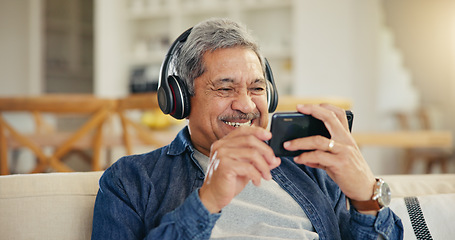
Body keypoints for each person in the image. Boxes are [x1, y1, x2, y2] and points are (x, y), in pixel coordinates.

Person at [91, 18, 403, 239]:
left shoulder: (315, 170)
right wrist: (207, 201)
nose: (246, 105)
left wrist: (367, 198)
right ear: (181, 98)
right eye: (225, 89)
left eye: (256, 88)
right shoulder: (129, 180)